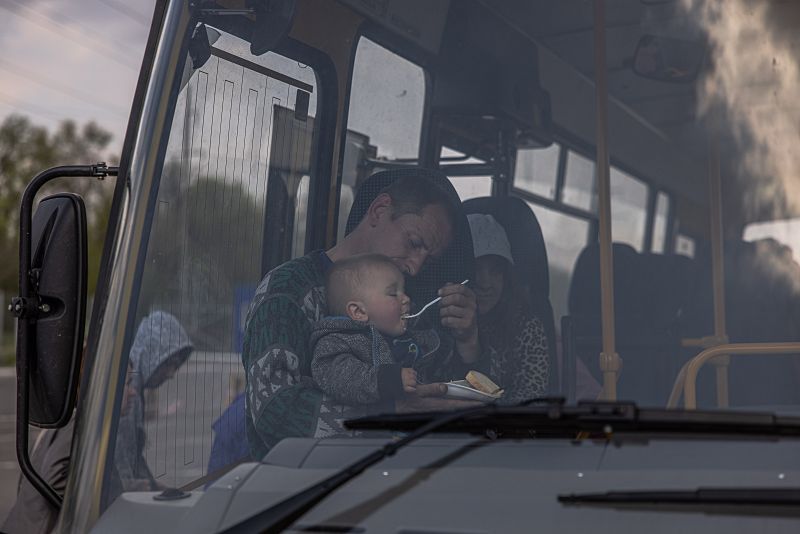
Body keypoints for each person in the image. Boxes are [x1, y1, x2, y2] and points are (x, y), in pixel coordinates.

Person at [242, 168, 480, 460]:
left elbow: (440, 395)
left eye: (428, 258)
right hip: (300, 490)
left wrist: (468, 340)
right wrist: (388, 414)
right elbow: (273, 410)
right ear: (380, 211)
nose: (415, 266)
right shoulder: (289, 290)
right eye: (414, 243)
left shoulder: (411, 304)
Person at [310, 254, 465, 433]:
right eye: (393, 293)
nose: (406, 298)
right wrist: (388, 380)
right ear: (358, 311)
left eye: (404, 291)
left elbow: (438, 363)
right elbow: (338, 377)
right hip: (367, 445)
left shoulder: (411, 337)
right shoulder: (338, 340)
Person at [468, 213, 549, 403]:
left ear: (507, 277)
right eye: (475, 269)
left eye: (495, 271)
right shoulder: (436, 320)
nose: (485, 283)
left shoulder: (527, 327)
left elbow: (530, 402)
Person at [113, 311, 193, 493]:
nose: (172, 374)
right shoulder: (128, 395)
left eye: (177, 366)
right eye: (169, 363)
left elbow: (133, 460)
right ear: (150, 352)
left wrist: (154, 486)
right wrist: (138, 488)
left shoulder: (132, 387)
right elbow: (121, 463)